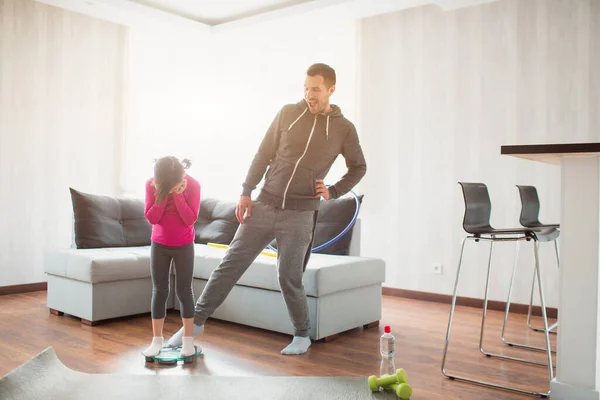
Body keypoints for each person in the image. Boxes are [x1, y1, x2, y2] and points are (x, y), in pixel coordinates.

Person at [167, 63, 367, 355]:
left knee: (289, 276)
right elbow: (263, 154)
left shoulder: (343, 129)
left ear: (331, 90)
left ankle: (302, 335)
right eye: (306, 87)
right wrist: (247, 191)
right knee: (229, 265)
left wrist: (333, 191)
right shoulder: (288, 113)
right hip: (264, 204)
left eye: (316, 89)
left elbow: (359, 166)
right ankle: (194, 324)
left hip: (300, 214)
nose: (309, 95)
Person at [142, 156, 201, 358]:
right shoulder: (153, 184)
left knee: (184, 291)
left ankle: (188, 341)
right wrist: (165, 194)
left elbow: (190, 219)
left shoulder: (193, 185)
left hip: (184, 245)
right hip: (159, 245)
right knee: (159, 291)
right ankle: (156, 340)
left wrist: (178, 196)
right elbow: (152, 217)